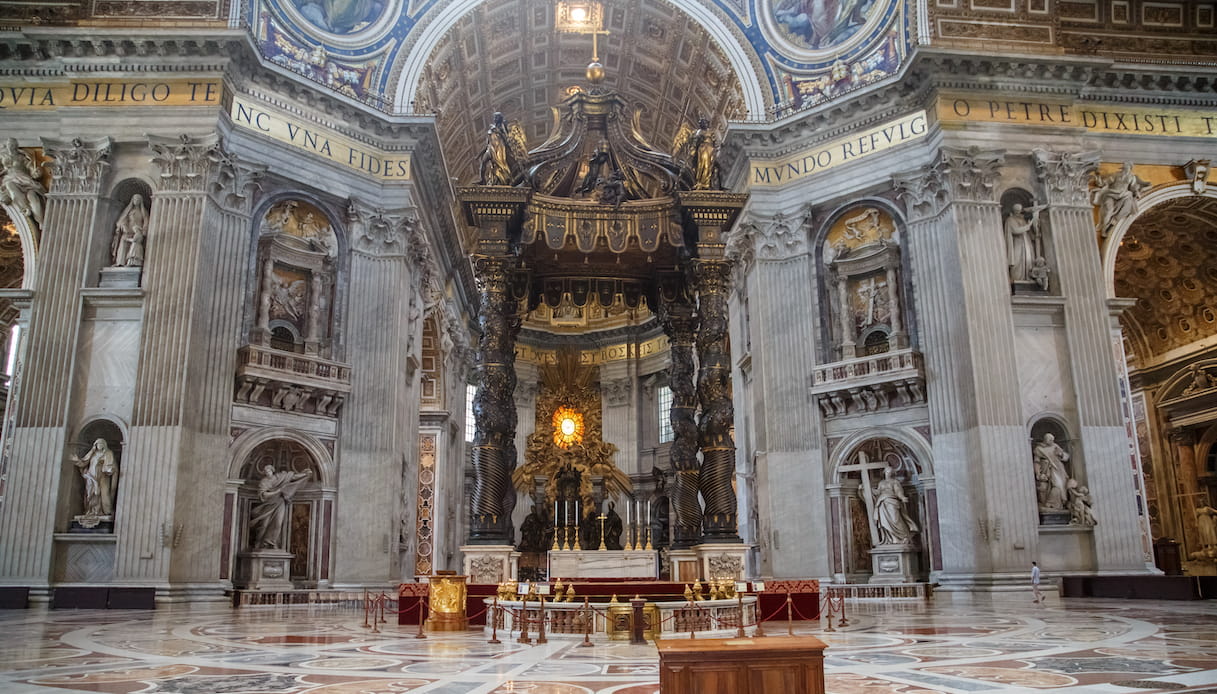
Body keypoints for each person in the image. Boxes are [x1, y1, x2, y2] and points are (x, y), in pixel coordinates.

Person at [250, 464, 313, 550]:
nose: (267, 473)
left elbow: (293, 477)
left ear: (272, 470)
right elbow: (264, 494)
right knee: (264, 526)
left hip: (280, 502)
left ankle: (272, 542)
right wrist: (277, 492)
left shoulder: (280, 477)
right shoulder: (264, 482)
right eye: (265, 472)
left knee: (278, 523)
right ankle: (259, 543)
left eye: (268, 471)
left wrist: (305, 474)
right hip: (268, 505)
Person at [1094, 162, 1150, 238]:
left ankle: (1114, 221)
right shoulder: (1116, 175)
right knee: (1108, 211)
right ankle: (1104, 230)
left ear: (1130, 168)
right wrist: (1098, 177)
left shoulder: (1131, 177)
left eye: (1127, 167)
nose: (1125, 168)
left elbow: (1133, 188)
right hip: (1111, 194)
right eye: (1124, 167)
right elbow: (1103, 183)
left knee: (1127, 206)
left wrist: (1136, 192)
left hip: (1123, 195)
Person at [0, 138, 46, 227]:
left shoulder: (22, 157)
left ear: (16, 146)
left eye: (13, 145)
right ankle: (25, 208)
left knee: (33, 197)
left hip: (25, 180)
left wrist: (37, 173)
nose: (11, 147)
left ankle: (41, 222)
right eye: (9, 145)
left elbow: (32, 170)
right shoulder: (3, 156)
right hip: (10, 178)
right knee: (11, 187)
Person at [71, 439, 118, 518]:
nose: (99, 445)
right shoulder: (92, 453)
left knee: (103, 493)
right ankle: (90, 510)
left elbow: (111, 466)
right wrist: (77, 460)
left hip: (103, 477)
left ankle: (103, 511)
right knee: (90, 493)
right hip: (91, 477)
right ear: (95, 445)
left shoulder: (108, 453)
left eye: (101, 444)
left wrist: (108, 469)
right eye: (97, 444)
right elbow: (84, 462)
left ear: (104, 445)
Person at [873, 466, 917, 545]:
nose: (888, 473)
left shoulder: (895, 482)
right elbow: (877, 492)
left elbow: (898, 492)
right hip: (882, 504)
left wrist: (902, 497)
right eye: (887, 472)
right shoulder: (881, 483)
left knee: (895, 520)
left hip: (892, 502)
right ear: (884, 473)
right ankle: (893, 539)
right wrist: (866, 488)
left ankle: (904, 536)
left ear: (892, 473)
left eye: (890, 472)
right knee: (885, 522)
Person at [1004, 202, 1043, 282]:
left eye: (1020, 210)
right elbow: (1015, 230)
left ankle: (1029, 277)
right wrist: (1027, 226)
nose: (1018, 212)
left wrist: (1035, 229)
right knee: (1017, 260)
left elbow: (1030, 233)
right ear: (1014, 210)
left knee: (1029, 260)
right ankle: (1017, 279)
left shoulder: (1023, 220)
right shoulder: (1010, 219)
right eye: (1017, 210)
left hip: (1027, 243)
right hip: (1017, 243)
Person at [1033, 433, 1070, 511]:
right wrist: (1038, 473)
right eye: (1050, 440)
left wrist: (1061, 454)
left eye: (1052, 440)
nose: (1052, 441)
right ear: (1045, 440)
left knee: (1061, 485)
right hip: (1047, 469)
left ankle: (1060, 505)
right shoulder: (1039, 449)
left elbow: (1066, 457)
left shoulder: (1055, 446)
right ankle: (1051, 504)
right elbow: (1036, 462)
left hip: (1059, 468)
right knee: (1055, 486)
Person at [111, 194, 148, 267]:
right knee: (123, 245)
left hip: (137, 231)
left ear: (140, 201)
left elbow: (146, 221)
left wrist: (143, 231)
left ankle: (131, 262)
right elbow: (122, 220)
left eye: (138, 199)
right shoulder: (129, 210)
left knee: (134, 247)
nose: (136, 201)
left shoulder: (143, 211)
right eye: (135, 199)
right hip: (128, 230)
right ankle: (120, 262)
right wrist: (124, 226)